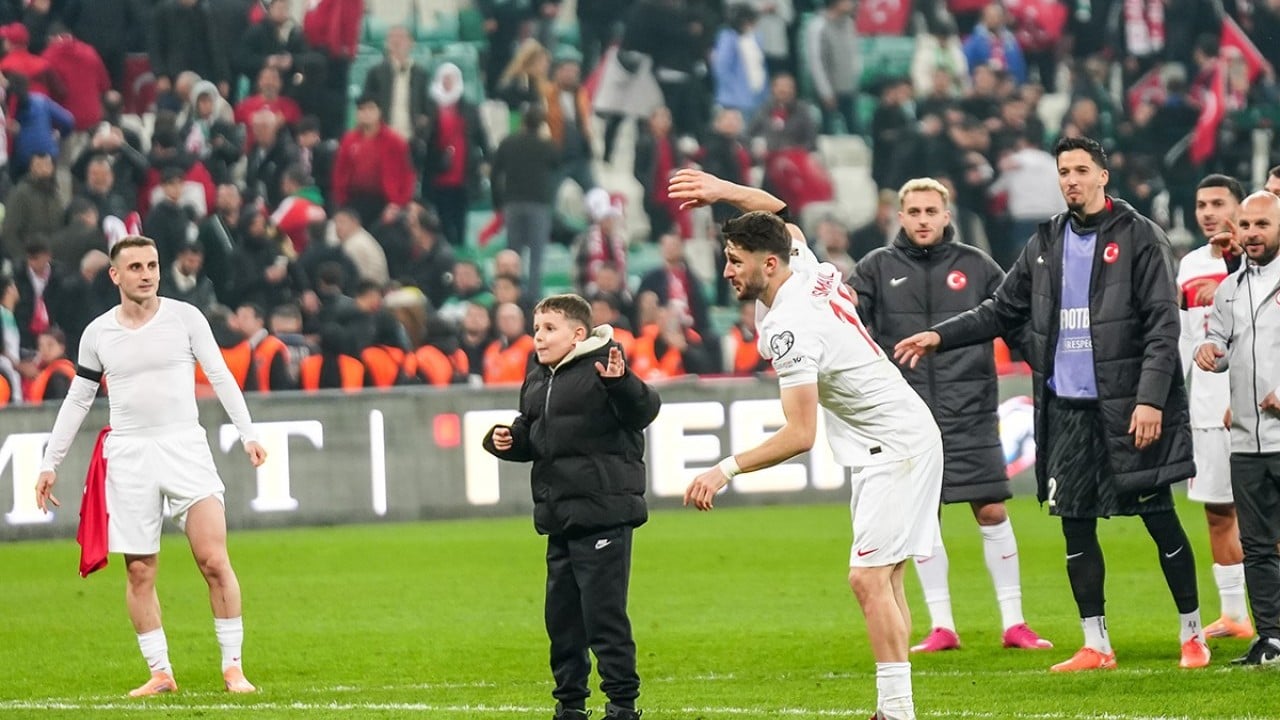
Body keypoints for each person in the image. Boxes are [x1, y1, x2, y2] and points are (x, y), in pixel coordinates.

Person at [894, 136, 1209, 672]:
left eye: (1081, 170)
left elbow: (1162, 326)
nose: (1071, 180)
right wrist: (938, 336)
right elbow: (999, 310)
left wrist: (1150, 399)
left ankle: (1192, 633)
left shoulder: (1140, 237)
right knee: (1075, 524)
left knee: (1159, 518)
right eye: (1064, 171)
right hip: (1066, 409)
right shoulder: (1045, 241)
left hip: (1128, 406)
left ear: (1103, 176)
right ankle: (1096, 644)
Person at [680, 209, 942, 719]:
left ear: (770, 263)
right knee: (884, 580)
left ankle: (899, 712)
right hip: (891, 439)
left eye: (735, 261)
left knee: (867, 580)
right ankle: (893, 708)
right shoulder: (800, 270)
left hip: (897, 445)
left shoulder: (789, 330)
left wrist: (724, 469)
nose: (727, 271)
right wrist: (720, 191)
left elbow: (800, 435)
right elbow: (784, 221)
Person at [34, 235, 268, 696]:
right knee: (140, 571)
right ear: (116, 275)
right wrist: (50, 461)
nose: (147, 273)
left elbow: (219, 374)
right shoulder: (98, 333)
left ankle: (233, 669)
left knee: (213, 560)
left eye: (153, 265)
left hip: (184, 447)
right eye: (136, 266)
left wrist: (249, 433)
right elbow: (79, 398)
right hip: (129, 455)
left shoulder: (186, 318)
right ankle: (161, 672)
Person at [851, 177, 1052, 653]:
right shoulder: (875, 268)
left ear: (946, 214)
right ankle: (942, 625)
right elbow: (852, 328)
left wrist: (1047, 365)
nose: (922, 220)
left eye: (930, 211)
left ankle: (1014, 622)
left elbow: (1013, 321)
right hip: (904, 416)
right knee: (924, 521)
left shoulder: (976, 265)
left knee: (991, 509)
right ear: (899, 217)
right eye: (914, 212)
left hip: (971, 410)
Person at [482, 294, 660, 720]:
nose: (538, 337)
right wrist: (509, 440)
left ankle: (621, 704)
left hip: (602, 513)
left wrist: (623, 384)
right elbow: (536, 433)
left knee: (603, 616)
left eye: (548, 329)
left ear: (578, 334)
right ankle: (570, 705)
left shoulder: (606, 365)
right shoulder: (540, 375)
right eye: (536, 328)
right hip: (559, 515)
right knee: (562, 619)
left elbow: (644, 409)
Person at [1195, 190, 1280, 666]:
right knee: (1257, 545)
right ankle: (1271, 638)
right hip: (1247, 440)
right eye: (1244, 225)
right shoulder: (1229, 289)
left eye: (1261, 225)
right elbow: (1218, 339)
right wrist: (1207, 351)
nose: (1250, 234)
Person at [1178, 174, 1252, 640]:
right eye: (1201, 203)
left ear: (1240, 207)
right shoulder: (1187, 265)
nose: (1207, 212)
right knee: (1218, 511)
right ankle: (1235, 616)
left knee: (1268, 512)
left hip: (1257, 407)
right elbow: (1185, 342)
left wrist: (1229, 278)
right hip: (1205, 408)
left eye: (1218, 203)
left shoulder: (1264, 259)